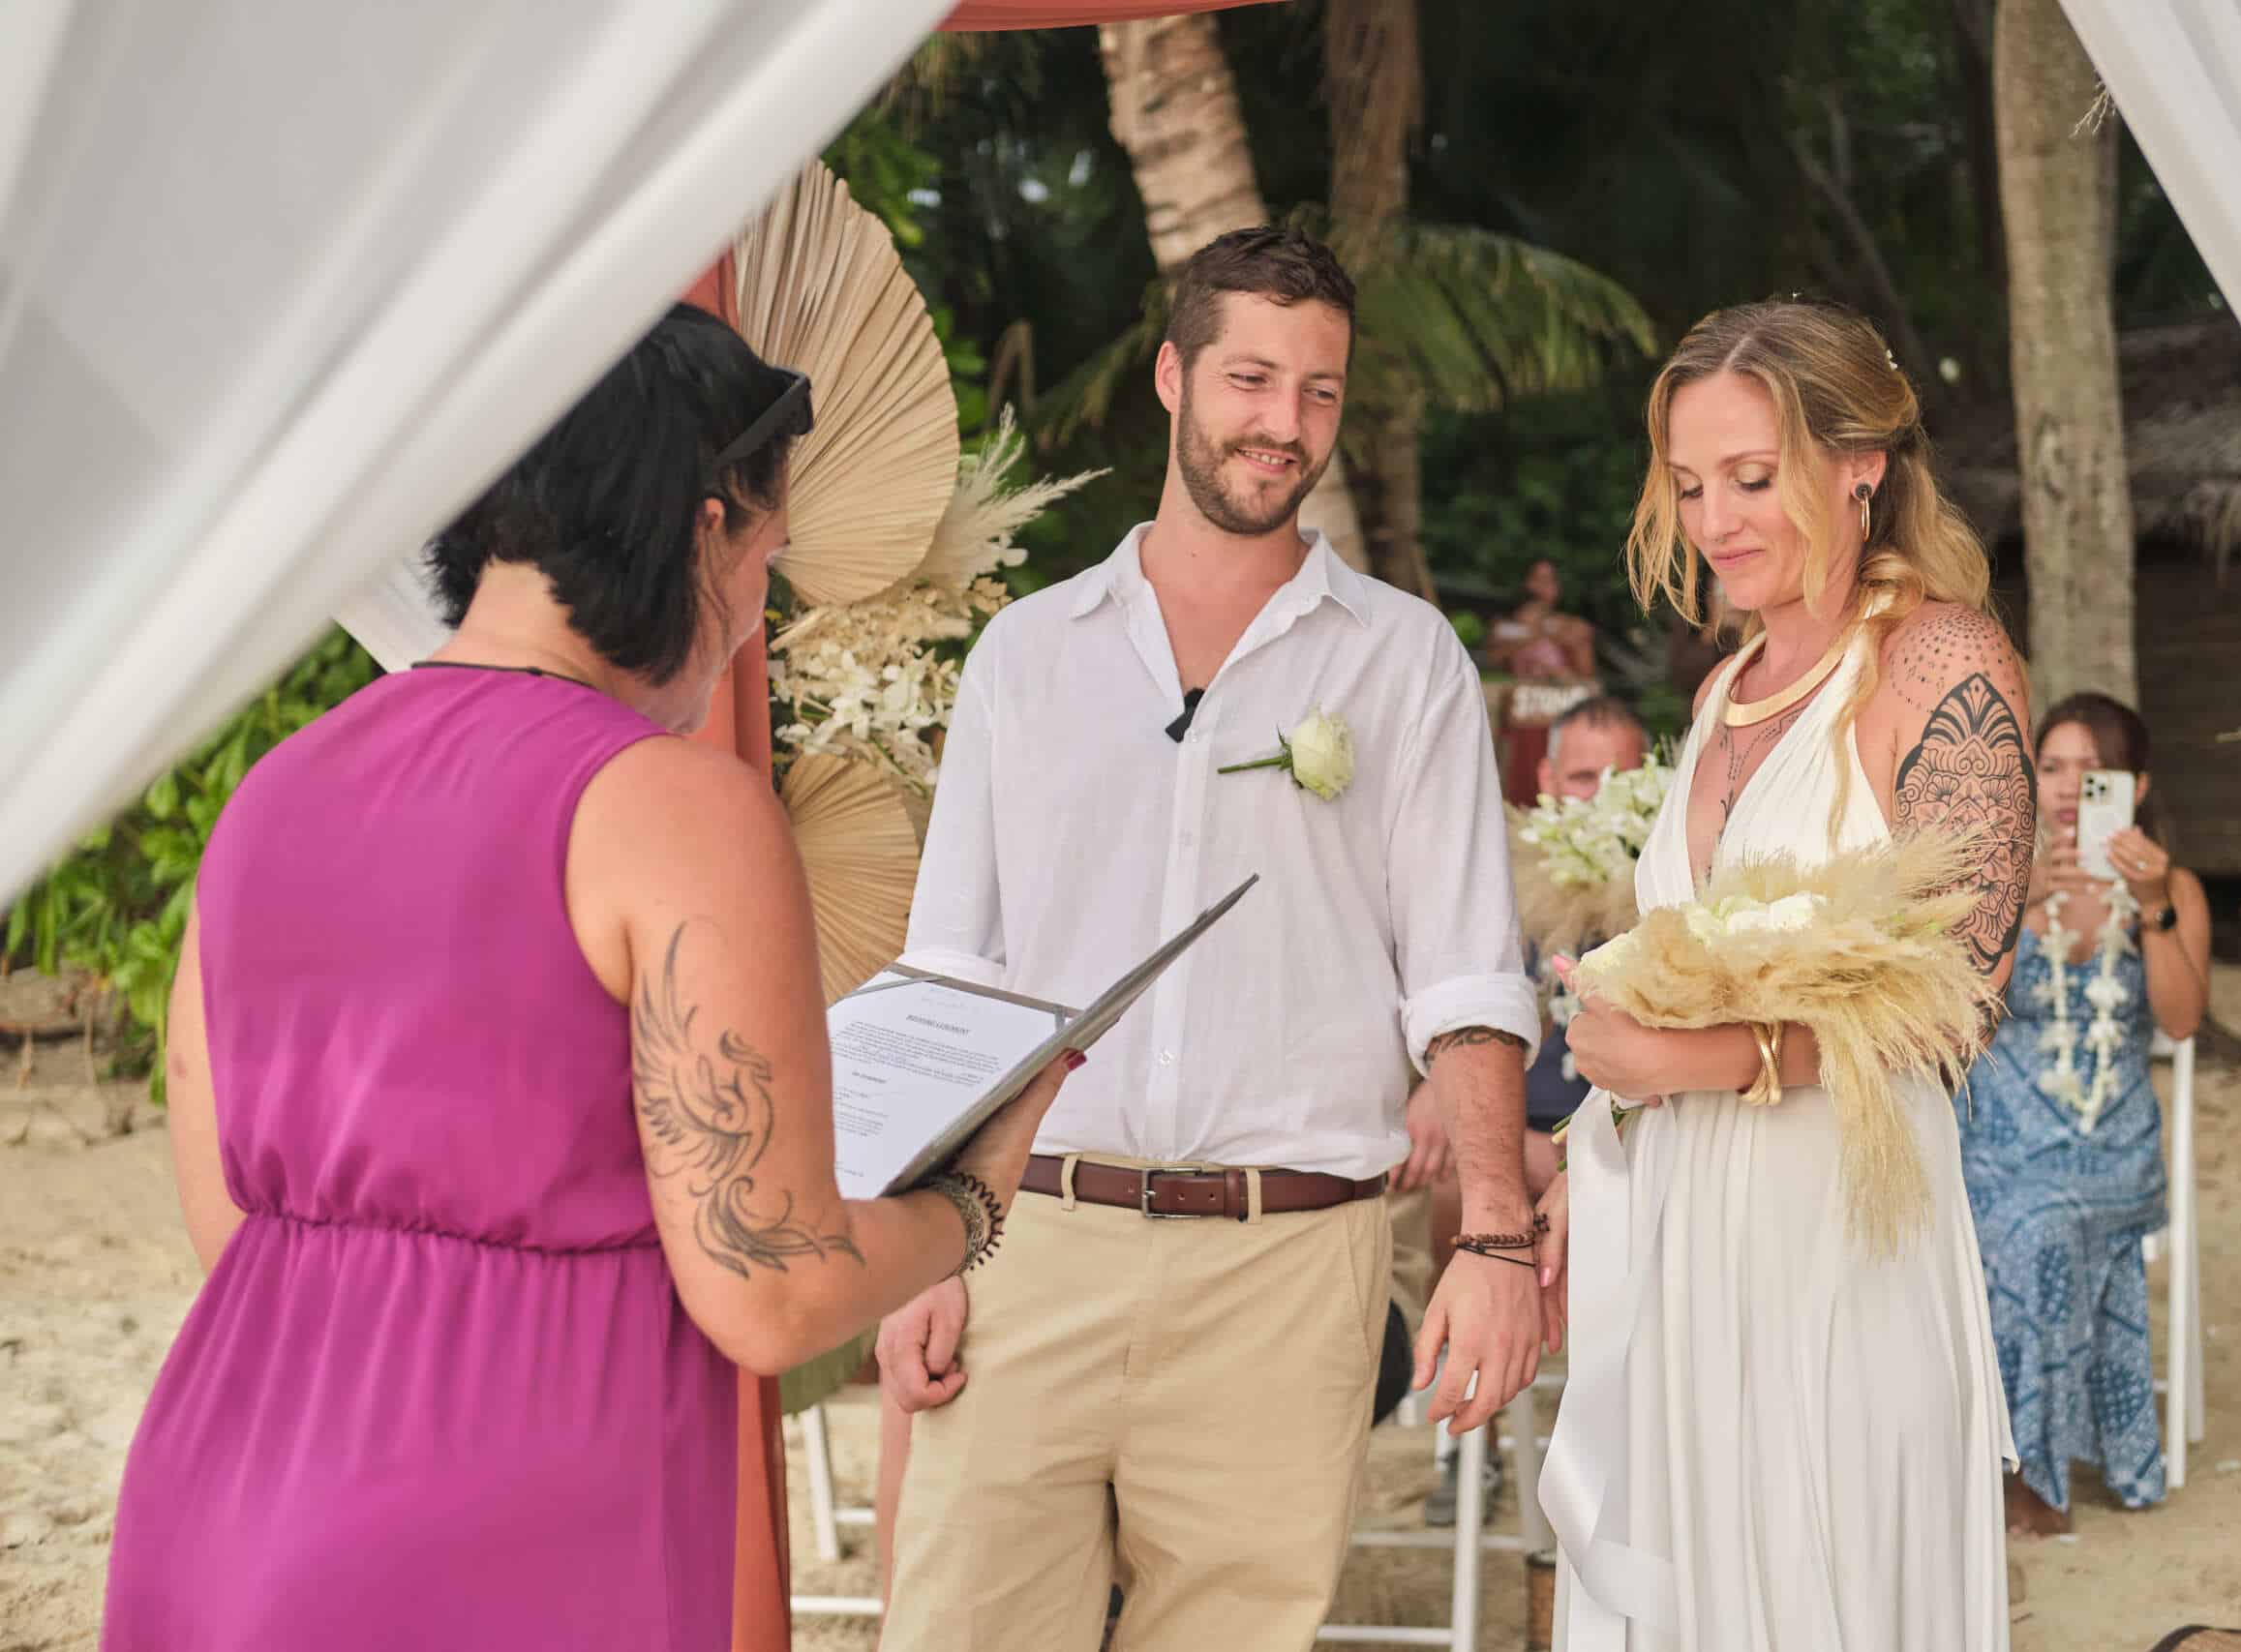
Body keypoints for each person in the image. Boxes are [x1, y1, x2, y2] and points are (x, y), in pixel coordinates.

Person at [101, 304, 1076, 1652]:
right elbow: (769, 1286)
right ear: (705, 526)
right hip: (512, 1535)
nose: (750, 627)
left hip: (221, 1505)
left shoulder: (274, 794)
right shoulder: (673, 806)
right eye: (767, 569)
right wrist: (971, 1199)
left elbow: (235, 1228)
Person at [871, 225, 1543, 1652]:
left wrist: (1494, 1235)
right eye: (1250, 377)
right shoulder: (1026, 654)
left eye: (1318, 390)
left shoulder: (1405, 657)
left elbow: (1469, 976)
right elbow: (953, 975)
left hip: (1287, 1267)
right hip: (1021, 1241)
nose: (1282, 422)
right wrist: (916, 1253)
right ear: (1173, 377)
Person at [1536, 298, 2032, 1650]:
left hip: (1846, 1231)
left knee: (1829, 1586)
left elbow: (1963, 1000)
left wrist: (1696, 1062)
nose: (1714, 518)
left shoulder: (1942, 660)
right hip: (1688, 1234)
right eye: (1690, 486)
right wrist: (1606, 1127)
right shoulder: (1724, 688)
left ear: (1859, 462)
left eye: (1751, 477)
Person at [1961, 692, 2211, 1539]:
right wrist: (2016, 905)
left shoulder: (2171, 889)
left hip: (2109, 1150)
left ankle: (2030, 1483)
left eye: (2093, 772)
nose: (2069, 789)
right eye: (2053, 767)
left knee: (2040, 1229)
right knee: (2008, 1217)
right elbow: (1959, 1024)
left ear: (2135, 787)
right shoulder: (1998, 883)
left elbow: (2180, 1021)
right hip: (1997, 1145)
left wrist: (2151, 907)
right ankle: (1995, 1457)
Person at [1412, 694, 1648, 1525]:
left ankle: (1626, 1456)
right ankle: (1465, 1443)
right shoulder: (1503, 874)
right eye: (1584, 775)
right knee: (1452, 1188)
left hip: (1636, 1136)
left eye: (1621, 775)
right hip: (1516, 1136)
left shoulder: (1666, 881)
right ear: (1547, 778)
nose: (1600, 794)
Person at [1488, 559, 1604, 805]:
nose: (1541, 588)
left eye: (1548, 581)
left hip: (1559, 717)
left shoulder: (1575, 628)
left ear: (1558, 587)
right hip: (1521, 721)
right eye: (1536, 580)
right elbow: (1494, 661)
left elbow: (1587, 677)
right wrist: (1531, 635)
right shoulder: (1507, 629)